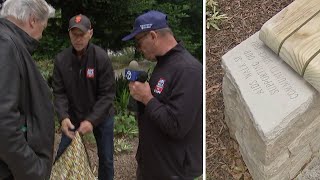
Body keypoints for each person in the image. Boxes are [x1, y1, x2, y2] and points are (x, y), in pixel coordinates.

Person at [122, 10, 203, 179]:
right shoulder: (163, 63)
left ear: (153, 35)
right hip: (152, 166)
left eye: (139, 41)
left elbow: (176, 126)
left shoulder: (188, 70)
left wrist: (147, 98)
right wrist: (138, 98)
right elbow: (158, 107)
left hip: (172, 171)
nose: (138, 48)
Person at [53, 14, 115, 180]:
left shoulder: (101, 58)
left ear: (90, 33)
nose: (78, 39)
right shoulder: (61, 60)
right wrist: (63, 117)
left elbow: (107, 95)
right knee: (62, 155)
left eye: (82, 34)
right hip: (73, 116)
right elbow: (59, 93)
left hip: (102, 116)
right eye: (74, 34)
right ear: (69, 34)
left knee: (107, 159)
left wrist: (92, 120)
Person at [0, 0, 55, 179]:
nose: (41, 35)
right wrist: (33, 170)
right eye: (44, 27)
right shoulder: (6, 44)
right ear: (32, 20)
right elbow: (3, 121)